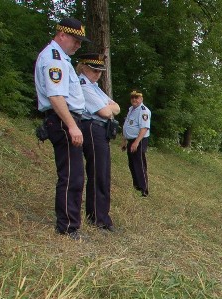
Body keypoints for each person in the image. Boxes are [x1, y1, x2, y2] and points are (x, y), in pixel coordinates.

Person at [34, 17, 91, 239]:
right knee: (71, 175)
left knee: (74, 174)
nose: (78, 45)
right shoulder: (54, 59)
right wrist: (71, 126)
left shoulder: (60, 58)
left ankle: (70, 223)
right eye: (75, 40)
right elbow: (55, 96)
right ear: (62, 35)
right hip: (63, 121)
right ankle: (67, 226)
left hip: (65, 120)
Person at [77, 54, 120, 231]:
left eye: (100, 72)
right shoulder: (83, 85)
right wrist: (108, 109)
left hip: (101, 130)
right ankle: (98, 217)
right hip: (92, 129)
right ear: (83, 67)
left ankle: (99, 214)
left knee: (102, 173)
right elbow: (104, 112)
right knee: (98, 173)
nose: (97, 74)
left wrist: (108, 109)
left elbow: (116, 107)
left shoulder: (94, 87)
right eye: (94, 70)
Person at [121, 90, 151, 196]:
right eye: (133, 97)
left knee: (140, 163)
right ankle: (137, 186)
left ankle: (144, 189)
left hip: (139, 140)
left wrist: (136, 142)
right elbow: (127, 125)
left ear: (141, 99)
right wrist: (124, 140)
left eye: (137, 97)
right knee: (132, 163)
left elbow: (144, 128)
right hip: (131, 140)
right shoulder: (131, 109)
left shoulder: (143, 111)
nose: (134, 99)